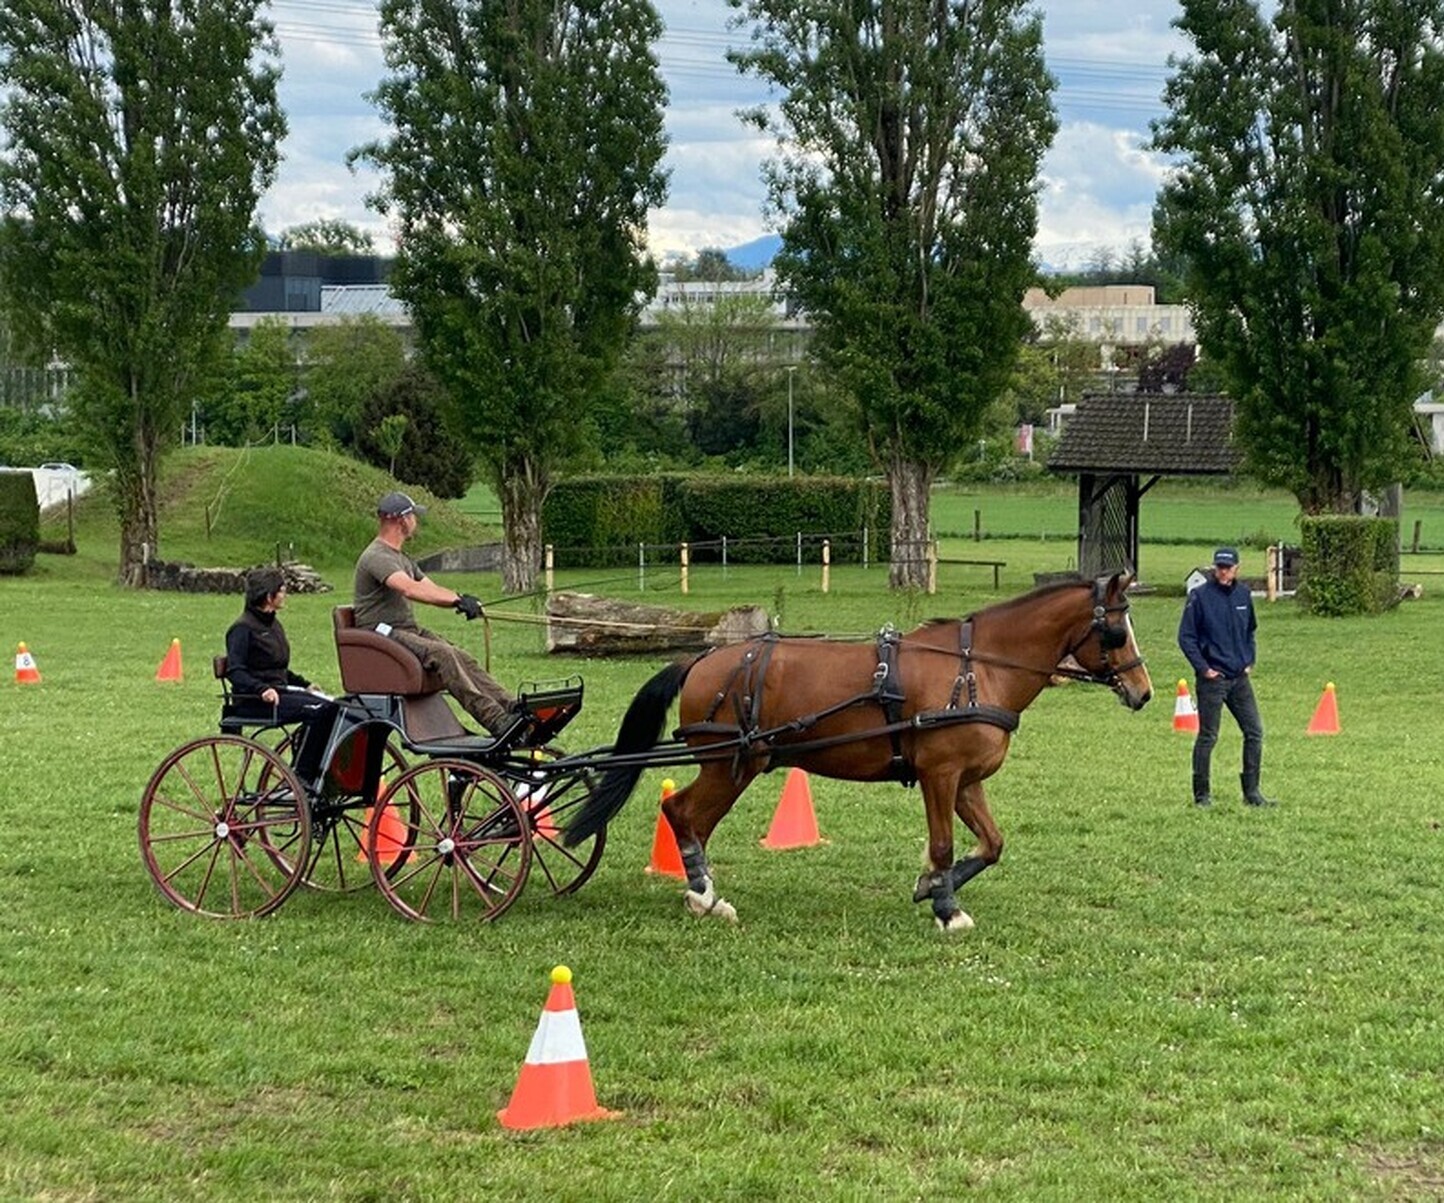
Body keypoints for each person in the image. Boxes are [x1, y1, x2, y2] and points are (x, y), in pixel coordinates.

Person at [353, 490, 516, 734]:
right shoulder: (376, 556)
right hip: (381, 632)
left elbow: (429, 588)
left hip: (404, 629)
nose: (416, 522)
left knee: (459, 654)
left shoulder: (401, 557)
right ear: (402, 519)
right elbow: (409, 589)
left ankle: (511, 707)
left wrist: (461, 600)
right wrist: (456, 600)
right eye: (413, 516)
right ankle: (495, 720)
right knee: (442, 654)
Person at [1177, 546, 1276, 808]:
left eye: (1228, 567)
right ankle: (1202, 795)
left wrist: (1249, 660)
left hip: (1239, 678)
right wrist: (1203, 668)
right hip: (1213, 680)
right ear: (1214, 568)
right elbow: (1186, 637)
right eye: (1219, 567)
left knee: (1254, 731)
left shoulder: (1244, 595)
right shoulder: (1199, 597)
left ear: (1236, 569)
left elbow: (1250, 630)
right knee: (1209, 735)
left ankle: (1252, 792)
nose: (1223, 572)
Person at [225, 566, 336, 783]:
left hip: (279, 691)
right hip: (255, 700)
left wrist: (305, 685)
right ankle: (301, 777)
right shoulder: (242, 629)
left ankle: (313, 767)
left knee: (332, 706)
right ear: (269, 596)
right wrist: (261, 689)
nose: (285, 595)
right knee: (319, 710)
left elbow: (277, 668)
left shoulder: (273, 625)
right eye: (282, 590)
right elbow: (235, 671)